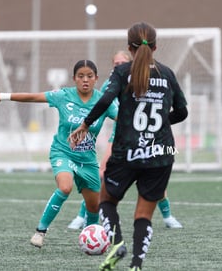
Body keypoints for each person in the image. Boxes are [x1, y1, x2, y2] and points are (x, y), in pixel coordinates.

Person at [69, 22, 188, 271]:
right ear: (155, 47)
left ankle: (117, 244)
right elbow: (182, 111)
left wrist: (85, 124)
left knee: (107, 200)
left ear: (129, 47)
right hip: (160, 153)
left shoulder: (123, 71)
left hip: (127, 151)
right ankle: (136, 265)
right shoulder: (167, 73)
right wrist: (161, 124)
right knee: (143, 215)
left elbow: (106, 98)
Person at [0, 60, 118, 249]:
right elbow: (33, 97)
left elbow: (124, 118)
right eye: (81, 76)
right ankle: (40, 231)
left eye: (90, 76)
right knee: (65, 187)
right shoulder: (64, 95)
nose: (85, 80)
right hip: (63, 152)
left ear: (96, 78)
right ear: (74, 79)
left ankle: (90, 239)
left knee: (94, 206)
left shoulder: (104, 102)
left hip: (88, 160)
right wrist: (2, 96)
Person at [67, 51, 183, 230]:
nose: (119, 65)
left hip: (144, 135)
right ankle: (83, 215)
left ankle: (168, 216)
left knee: (153, 176)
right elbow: (102, 105)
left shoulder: (141, 78)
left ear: (130, 63)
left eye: (122, 62)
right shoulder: (109, 83)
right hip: (119, 135)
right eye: (116, 63)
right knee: (102, 174)